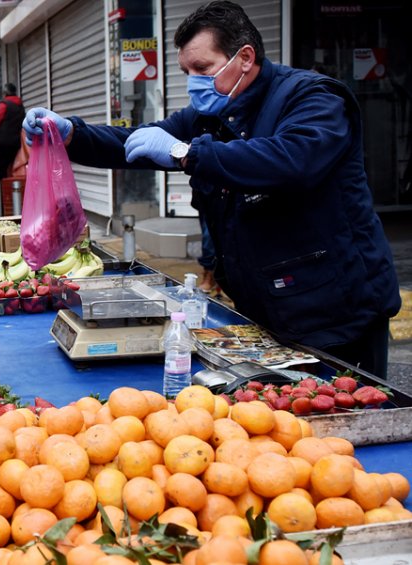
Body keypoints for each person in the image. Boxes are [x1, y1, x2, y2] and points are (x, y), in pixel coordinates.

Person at [22, 0, 400, 378]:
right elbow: (136, 142)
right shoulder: (212, 115)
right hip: (266, 307)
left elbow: (291, 161)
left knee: (343, 414)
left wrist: (186, 153)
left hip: (337, 311)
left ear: (245, 58)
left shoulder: (312, 98)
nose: (193, 82)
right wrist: (72, 134)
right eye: (186, 71)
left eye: (202, 68)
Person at [0, 83, 25, 181]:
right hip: (14, 144)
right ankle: (8, 193)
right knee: (8, 170)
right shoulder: (20, 107)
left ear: (4, 93)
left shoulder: (3, 105)